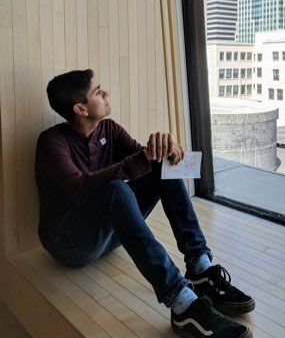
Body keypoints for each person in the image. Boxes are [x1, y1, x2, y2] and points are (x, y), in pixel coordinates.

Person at [35, 69, 255, 338]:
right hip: (69, 244)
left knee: (161, 169)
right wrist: (144, 158)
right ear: (80, 108)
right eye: (97, 91)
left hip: (107, 235)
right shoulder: (51, 142)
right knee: (115, 188)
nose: (106, 93)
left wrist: (166, 150)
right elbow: (79, 187)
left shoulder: (109, 129)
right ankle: (182, 303)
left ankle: (200, 268)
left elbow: (146, 161)